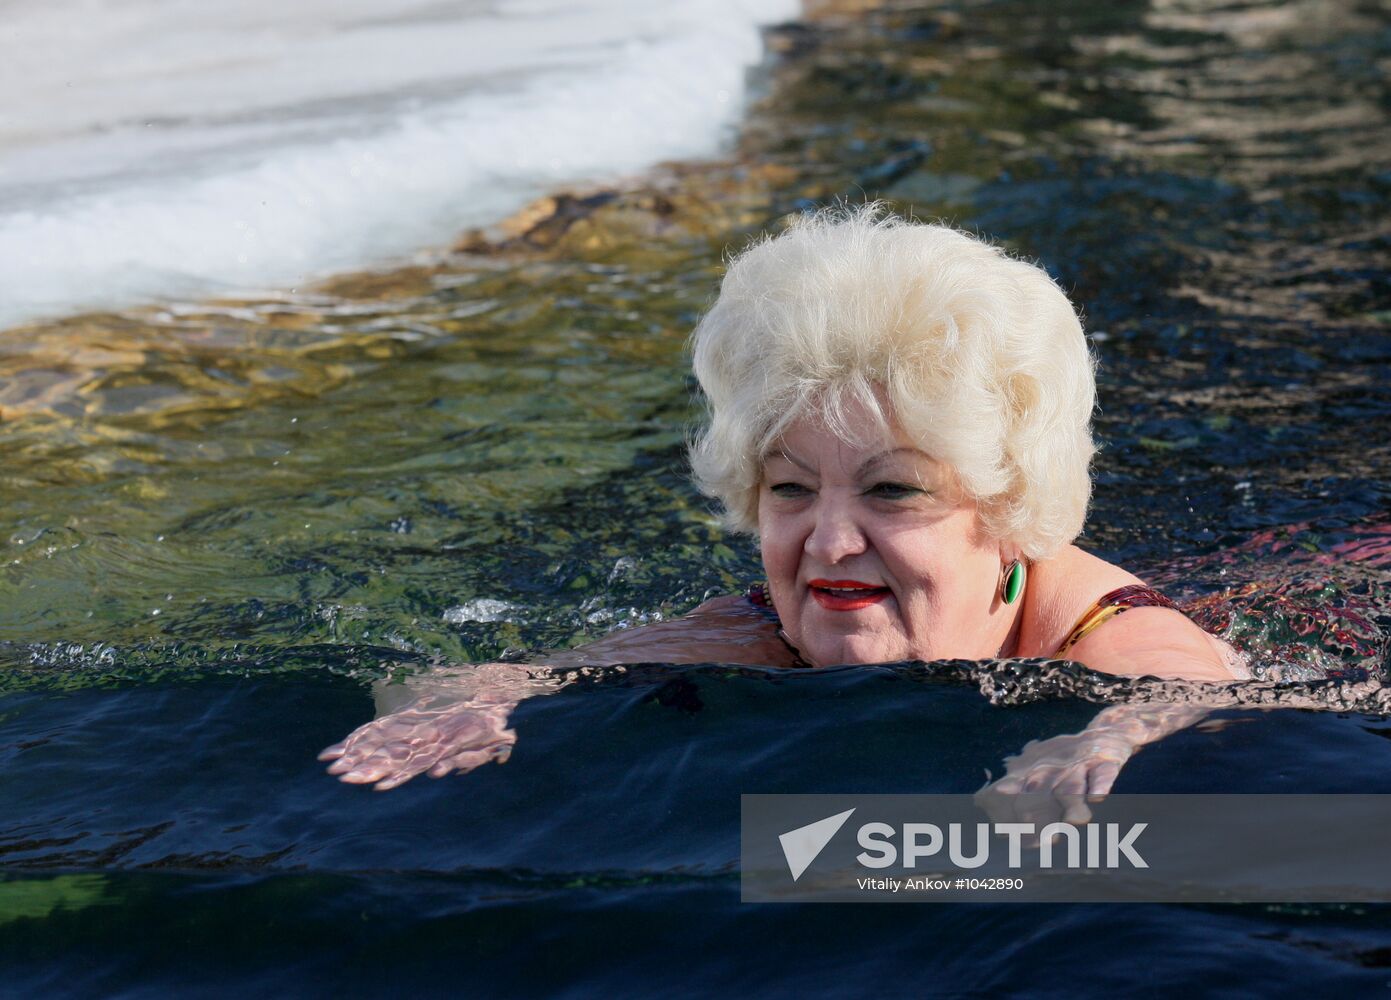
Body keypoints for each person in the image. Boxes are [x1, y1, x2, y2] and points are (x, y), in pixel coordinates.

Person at [320, 206, 1246, 793]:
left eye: (891, 489)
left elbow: (1211, 690)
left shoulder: (1112, 638)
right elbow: (489, 677)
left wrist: (1104, 739)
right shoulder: (752, 627)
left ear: (1004, 514)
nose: (829, 540)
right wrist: (469, 702)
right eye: (790, 488)